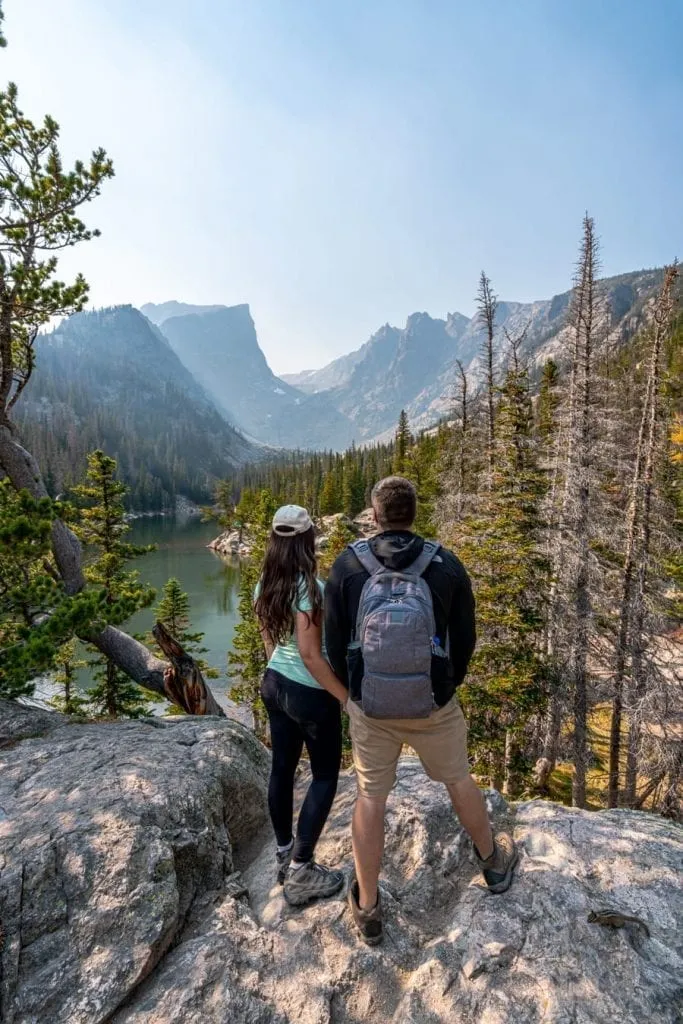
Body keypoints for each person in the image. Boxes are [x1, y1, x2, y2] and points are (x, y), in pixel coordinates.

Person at [325, 477, 518, 945]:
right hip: (434, 705)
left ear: (374, 515)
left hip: (372, 708)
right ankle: (492, 862)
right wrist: (443, 687)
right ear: (414, 513)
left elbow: (333, 645)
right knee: (458, 779)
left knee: (371, 797)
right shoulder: (445, 565)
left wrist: (358, 696)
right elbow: (465, 639)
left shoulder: (348, 566)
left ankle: (369, 908)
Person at [254, 504, 348, 907]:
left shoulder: (265, 583)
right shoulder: (308, 588)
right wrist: (346, 699)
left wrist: (279, 671)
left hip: (275, 684)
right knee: (325, 775)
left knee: (282, 769)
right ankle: (301, 870)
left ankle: (283, 853)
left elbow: (269, 642)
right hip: (310, 693)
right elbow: (312, 656)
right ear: (308, 538)